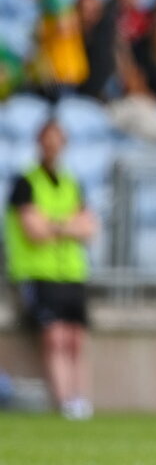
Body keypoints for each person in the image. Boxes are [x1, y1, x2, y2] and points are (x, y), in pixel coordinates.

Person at [3, 120, 98, 419]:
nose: (53, 145)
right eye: (48, 139)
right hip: (38, 272)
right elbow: (34, 231)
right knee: (55, 337)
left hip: (71, 272)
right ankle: (64, 401)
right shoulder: (26, 182)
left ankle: (80, 399)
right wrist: (68, 225)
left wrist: (53, 224)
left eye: (58, 139)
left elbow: (90, 227)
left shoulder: (72, 182)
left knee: (76, 339)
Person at [16, 0, 89, 100]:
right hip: (55, 71)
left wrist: (41, 34)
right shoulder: (45, 2)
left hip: (62, 69)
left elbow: (67, 27)